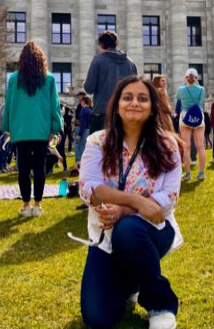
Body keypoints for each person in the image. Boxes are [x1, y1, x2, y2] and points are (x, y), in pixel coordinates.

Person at [78, 76, 183, 329]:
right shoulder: (97, 142)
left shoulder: (167, 144)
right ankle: (132, 279)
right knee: (98, 318)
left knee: (128, 229)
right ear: (116, 105)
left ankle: (160, 304)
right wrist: (135, 201)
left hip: (151, 231)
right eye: (128, 97)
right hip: (105, 237)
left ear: (152, 106)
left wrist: (124, 211)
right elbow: (87, 187)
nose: (134, 103)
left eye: (142, 98)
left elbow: (168, 198)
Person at [1, 40, 63, 219]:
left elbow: (9, 104)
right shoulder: (49, 78)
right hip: (41, 130)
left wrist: (6, 127)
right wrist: (55, 127)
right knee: (39, 168)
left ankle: (26, 204)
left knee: (23, 168)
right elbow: (55, 106)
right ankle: (38, 204)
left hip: (20, 130)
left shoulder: (14, 78)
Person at [84, 31, 138, 133]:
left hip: (103, 115)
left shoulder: (98, 60)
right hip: (125, 115)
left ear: (102, 45)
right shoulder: (130, 63)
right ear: (116, 44)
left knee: (99, 148)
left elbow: (89, 88)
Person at [174, 69, 206, 182]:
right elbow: (202, 96)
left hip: (185, 116)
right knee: (200, 146)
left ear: (186, 77)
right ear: (197, 78)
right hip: (198, 116)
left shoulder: (181, 89)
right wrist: (195, 82)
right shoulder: (202, 89)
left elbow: (177, 97)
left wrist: (185, 82)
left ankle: (187, 173)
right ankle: (201, 173)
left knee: (186, 146)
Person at [75, 93, 93, 166]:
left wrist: (79, 134)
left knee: (79, 147)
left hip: (84, 130)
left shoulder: (84, 110)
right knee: (84, 147)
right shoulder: (90, 110)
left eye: (81, 101)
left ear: (83, 102)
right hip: (88, 130)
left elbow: (83, 124)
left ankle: (80, 163)